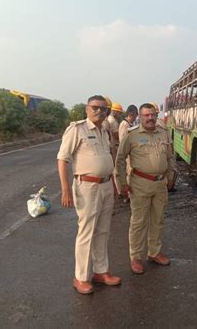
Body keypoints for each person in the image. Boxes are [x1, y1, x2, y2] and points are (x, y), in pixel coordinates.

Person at [57, 95, 121, 294]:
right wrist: (66, 189)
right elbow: (62, 159)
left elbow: (108, 158)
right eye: (95, 107)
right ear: (87, 109)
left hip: (106, 185)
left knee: (103, 230)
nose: (99, 112)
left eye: (104, 109)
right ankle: (81, 277)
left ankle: (101, 271)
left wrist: (114, 184)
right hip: (87, 187)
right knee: (86, 232)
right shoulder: (77, 129)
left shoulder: (105, 130)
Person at [115, 103, 175, 274]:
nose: (150, 118)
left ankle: (154, 252)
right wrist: (122, 184)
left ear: (156, 115)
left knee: (158, 219)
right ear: (140, 117)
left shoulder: (163, 133)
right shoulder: (131, 135)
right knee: (139, 222)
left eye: (152, 115)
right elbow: (120, 160)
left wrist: (170, 177)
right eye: (146, 115)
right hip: (140, 183)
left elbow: (170, 157)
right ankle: (135, 256)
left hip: (160, 184)